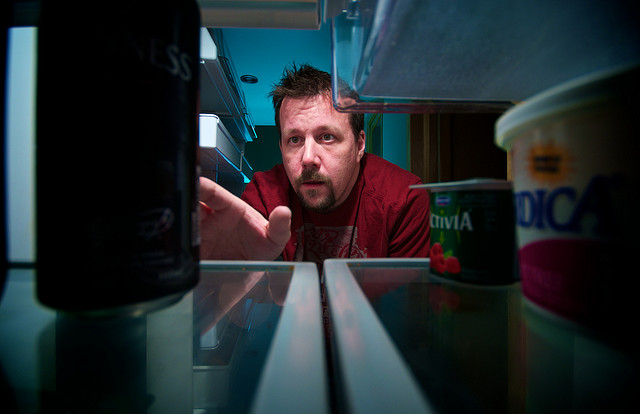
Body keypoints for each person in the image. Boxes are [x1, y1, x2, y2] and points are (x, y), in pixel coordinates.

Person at [199, 64, 430, 267]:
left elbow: (407, 311)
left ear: (359, 145)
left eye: (327, 137)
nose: (308, 158)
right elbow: (242, 305)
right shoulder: (264, 195)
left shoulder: (403, 201)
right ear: (281, 147)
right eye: (295, 140)